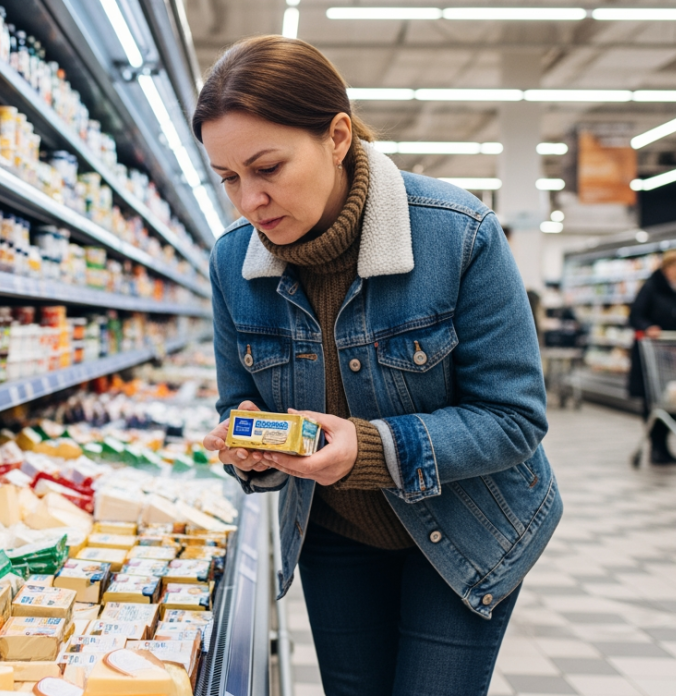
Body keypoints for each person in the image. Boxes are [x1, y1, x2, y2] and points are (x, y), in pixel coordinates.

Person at [194, 36, 561, 696]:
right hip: (335, 531)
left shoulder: (460, 234)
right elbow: (238, 404)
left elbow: (514, 418)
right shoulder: (232, 264)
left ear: (337, 136)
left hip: (468, 525)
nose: (249, 201)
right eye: (228, 178)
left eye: (267, 167)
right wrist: (246, 442)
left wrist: (371, 448)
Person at [627, 250, 676, 464]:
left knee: (675, 399)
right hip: (653, 356)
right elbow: (635, 315)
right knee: (653, 400)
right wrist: (648, 327)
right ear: (666, 269)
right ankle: (656, 446)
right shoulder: (651, 288)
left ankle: (665, 447)